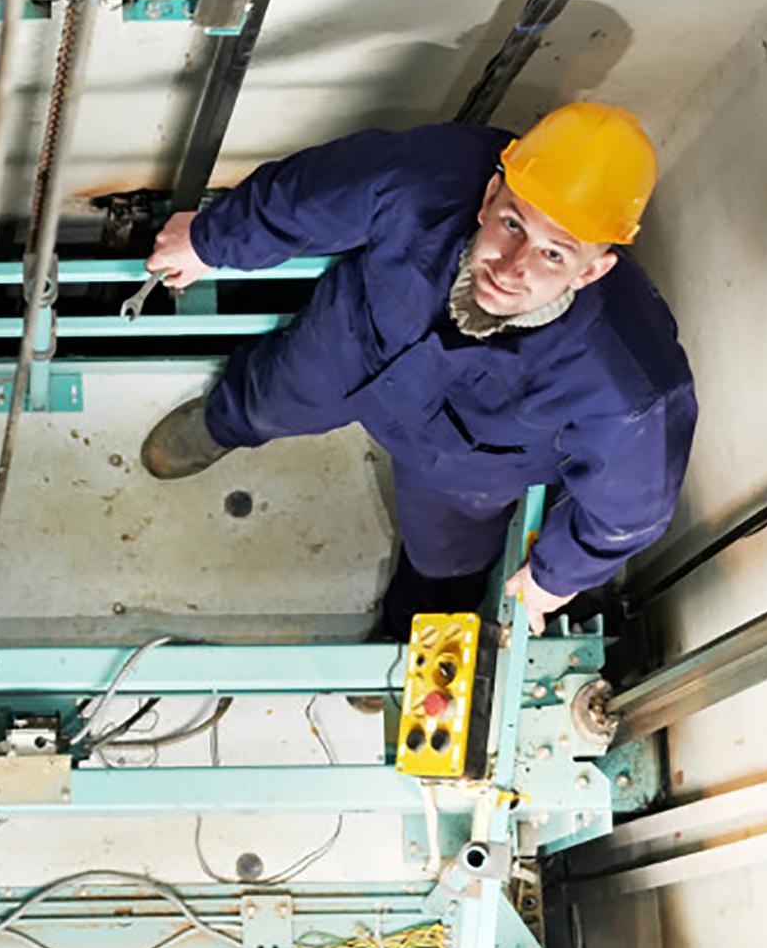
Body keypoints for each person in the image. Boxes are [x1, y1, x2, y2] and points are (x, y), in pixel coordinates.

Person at [139, 104, 696, 637]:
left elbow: (632, 507)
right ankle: (222, 424)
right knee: (271, 393)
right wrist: (210, 241)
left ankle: (406, 640)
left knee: (445, 569)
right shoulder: (427, 177)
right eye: (512, 225)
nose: (512, 267)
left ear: (591, 270)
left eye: (555, 254)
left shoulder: (626, 383)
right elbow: (311, 194)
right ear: (489, 197)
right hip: (354, 344)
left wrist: (557, 576)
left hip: (463, 470)